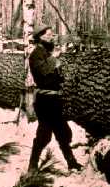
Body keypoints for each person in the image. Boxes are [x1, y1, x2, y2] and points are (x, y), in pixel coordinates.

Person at [27, 25, 82, 172]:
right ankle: (32, 166)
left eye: (52, 34)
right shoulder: (36, 54)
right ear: (41, 37)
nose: (52, 36)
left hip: (55, 99)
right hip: (44, 100)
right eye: (49, 34)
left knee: (62, 132)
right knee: (44, 134)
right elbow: (43, 72)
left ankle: (71, 162)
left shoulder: (46, 52)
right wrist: (55, 59)